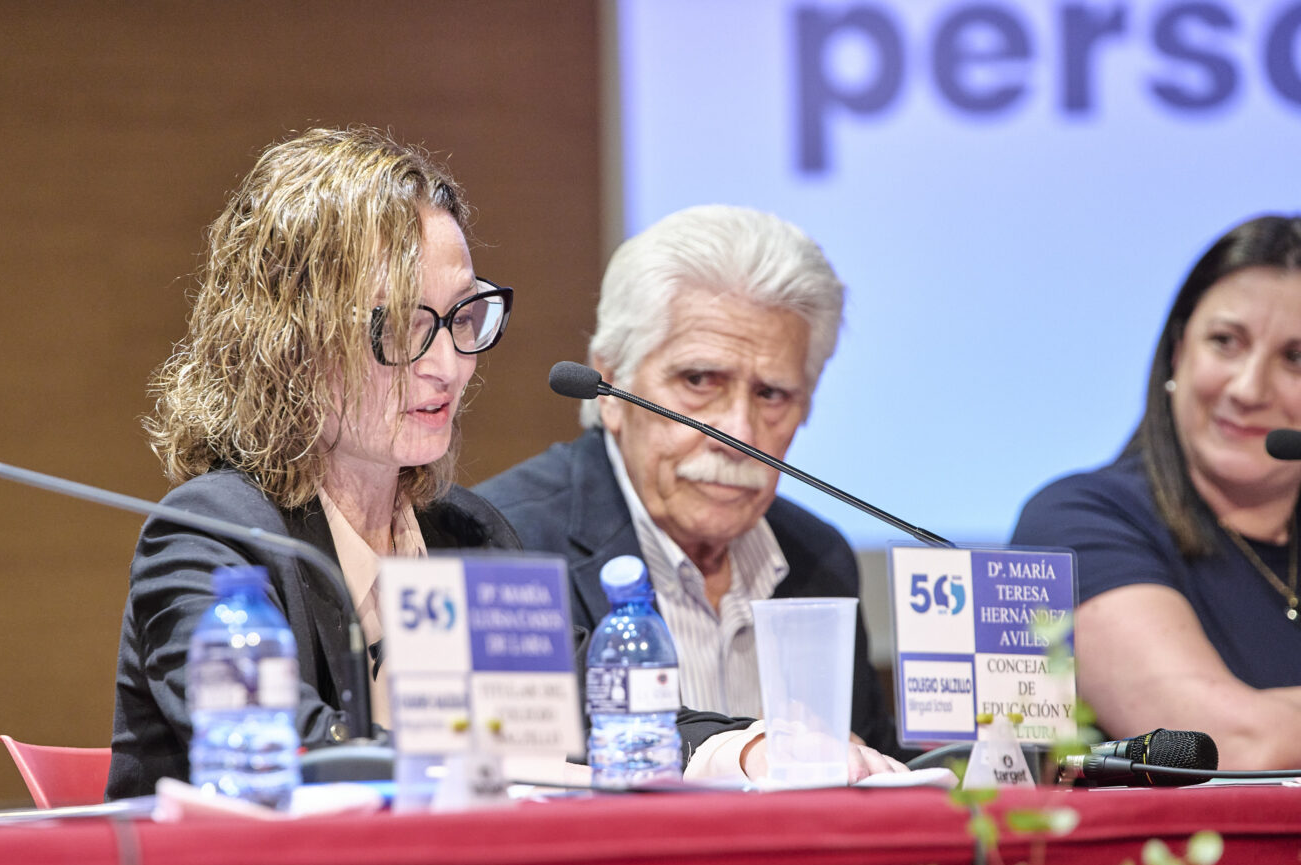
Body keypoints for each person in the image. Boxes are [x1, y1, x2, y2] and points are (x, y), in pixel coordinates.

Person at [107, 127, 521, 798]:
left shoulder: (470, 535)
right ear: (291, 343)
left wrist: (731, 748)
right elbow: (278, 745)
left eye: (463, 316)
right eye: (398, 328)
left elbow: (598, 712)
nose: (448, 366)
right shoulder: (211, 537)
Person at [476, 205, 903, 771]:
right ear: (609, 385)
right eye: (700, 381)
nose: (739, 434)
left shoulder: (818, 559)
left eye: (772, 395)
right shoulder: (509, 544)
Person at [1012, 214, 1301, 771]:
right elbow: (1232, 745)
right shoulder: (1080, 521)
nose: (1248, 389)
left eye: (1296, 358)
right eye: (1225, 343)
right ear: (1177, 353)